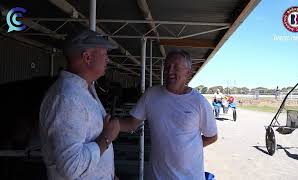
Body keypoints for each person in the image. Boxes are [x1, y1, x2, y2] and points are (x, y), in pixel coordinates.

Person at [118, 49, 218, 179]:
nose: (169, 71)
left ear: (188, 72)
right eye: (167, 67)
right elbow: (131, 124)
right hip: (157, 176)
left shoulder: (199, 102)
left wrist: (186, 149)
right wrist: (105, 122)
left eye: (176, 67)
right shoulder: (151, 95)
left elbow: (212, 136)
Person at [39, 30, 120, 180]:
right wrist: (107, 138)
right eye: (104, 54)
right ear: (87, 57)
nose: (108, 59)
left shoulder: (84, 89)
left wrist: (109, 174)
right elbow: (72, 167)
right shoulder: (67, 98)